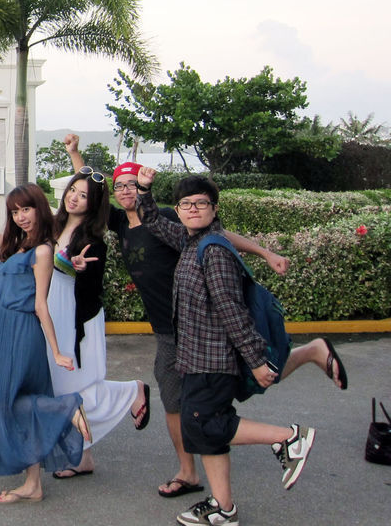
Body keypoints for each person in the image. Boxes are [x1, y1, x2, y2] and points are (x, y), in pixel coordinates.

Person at [65, 134, 345, 498]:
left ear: (143, 187)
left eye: (133, 184)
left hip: (199, 326)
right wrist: (75, 154)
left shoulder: (168, 218)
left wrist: (265, 253)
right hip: (168, 329)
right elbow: (91, 187)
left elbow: (219, 235)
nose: (126, 190)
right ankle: (192, 473)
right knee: (182, 400)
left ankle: (212, 475)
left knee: (229, 388)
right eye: (120, 185)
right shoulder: (120, 223)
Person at [137, 169, 316, 526]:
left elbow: (231, 310)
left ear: (214, 209)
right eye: (185, 204)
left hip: (212, 359)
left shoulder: (214, 250)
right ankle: (223, 507)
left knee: (207, 425)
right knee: (203, 432)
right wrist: (144, 189)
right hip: (195, 358)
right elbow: (153, 221)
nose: (192, 209)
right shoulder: (191, 240)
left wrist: (256, 360)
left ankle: (287, 438)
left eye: (201, 203)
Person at [0, 171, 91, 504]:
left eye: (26, 209)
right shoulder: (13, 245)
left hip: (23, 330)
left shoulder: (43, 251)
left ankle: (64, 407)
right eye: (15, 211)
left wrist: (57, 351)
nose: (20, 216)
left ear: (39, 209)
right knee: (11, 401)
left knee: (12, 400)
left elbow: (40, 305)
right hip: (1, 328)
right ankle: (33, 483)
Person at [45, 166, 150, 479]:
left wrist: (79, 269)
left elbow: (91, 290)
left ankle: (130, 392)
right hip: (51, 313)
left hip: (75, 318)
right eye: (73, 191)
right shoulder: (53, 226)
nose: (74, 198)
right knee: (61, 388)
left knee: (75, 389)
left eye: (83, 195)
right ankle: (83, 457)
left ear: (93, 204)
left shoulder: (93, 241)